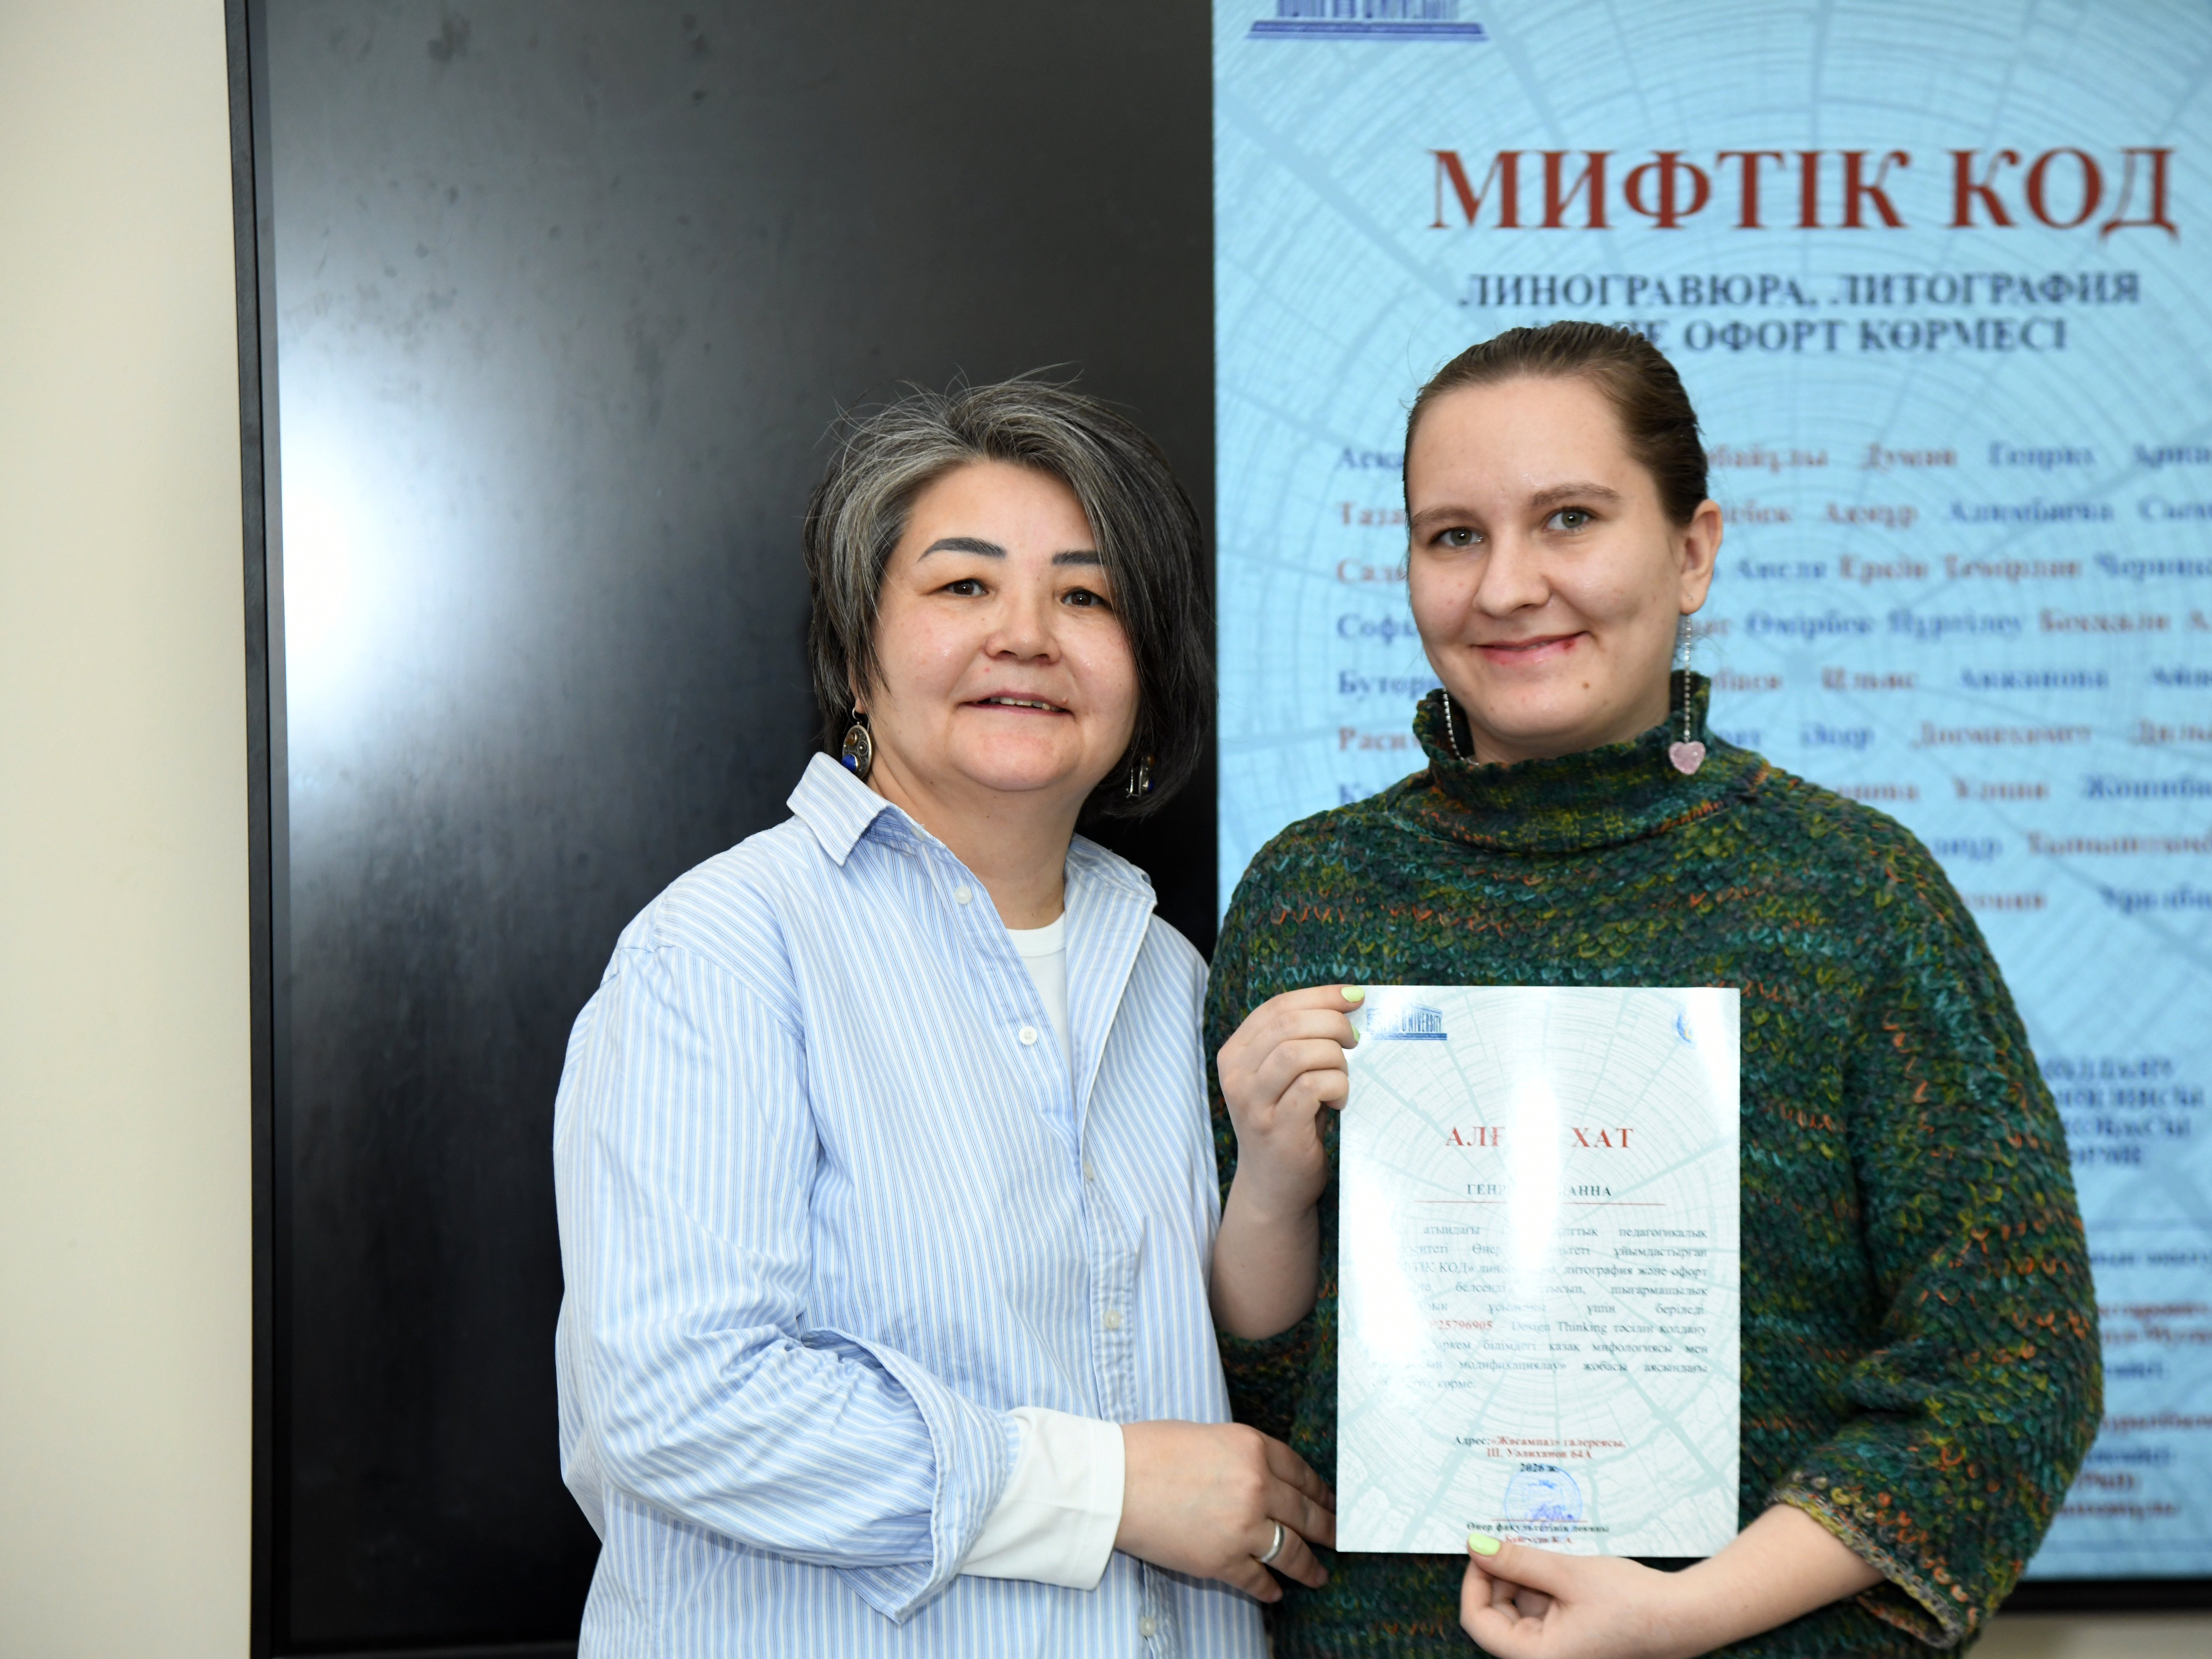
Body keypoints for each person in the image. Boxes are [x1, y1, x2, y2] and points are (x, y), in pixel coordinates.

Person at [1207, 322, 2101, 1657]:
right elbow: (1251, 1402)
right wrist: (1270, 1190)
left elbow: (2014, 1367)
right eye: (1453, 535)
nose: (1507, 585)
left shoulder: (1852, 896)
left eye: (1568, 519)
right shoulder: (1311, 895)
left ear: (1692, 551)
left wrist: (1685, 1615)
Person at [553, 379, 1333, 1656]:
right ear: (857, 658)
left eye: (1088, 598)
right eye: (964, 586)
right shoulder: (724, 952)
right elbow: (679, 1403)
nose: (1026, 635)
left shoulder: (1171, 978)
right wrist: (1107, 1491)